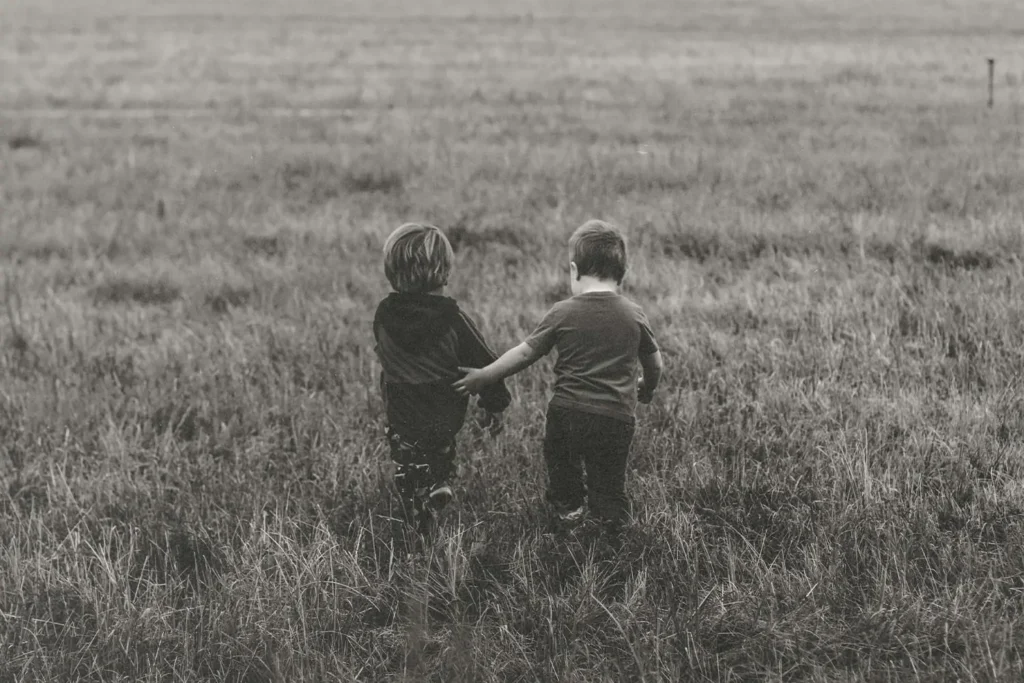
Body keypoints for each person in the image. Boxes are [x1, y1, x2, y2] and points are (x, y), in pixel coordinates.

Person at [454, 219, 662, 531]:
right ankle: (609, 526)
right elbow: (655, 363)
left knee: (562, 465)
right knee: (608, 479)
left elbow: (525, 353)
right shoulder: (634, 314)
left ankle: (570, 510)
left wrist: (485, 375)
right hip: (615, 418)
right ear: (623, 274)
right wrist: (646, 387)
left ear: (575, 270)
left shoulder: (562, 311)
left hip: (568, 413)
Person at [374, 222, 511, 534]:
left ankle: (417, 510)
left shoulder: (383, 314)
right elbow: (485, 361)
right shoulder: (453, 318)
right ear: (445, 272)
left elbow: (383, 352)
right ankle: (439, 481)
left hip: (401, 408)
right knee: (440, 447)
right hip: (443, 409)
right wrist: (495, 403)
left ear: (391, 271)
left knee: (406, 458)